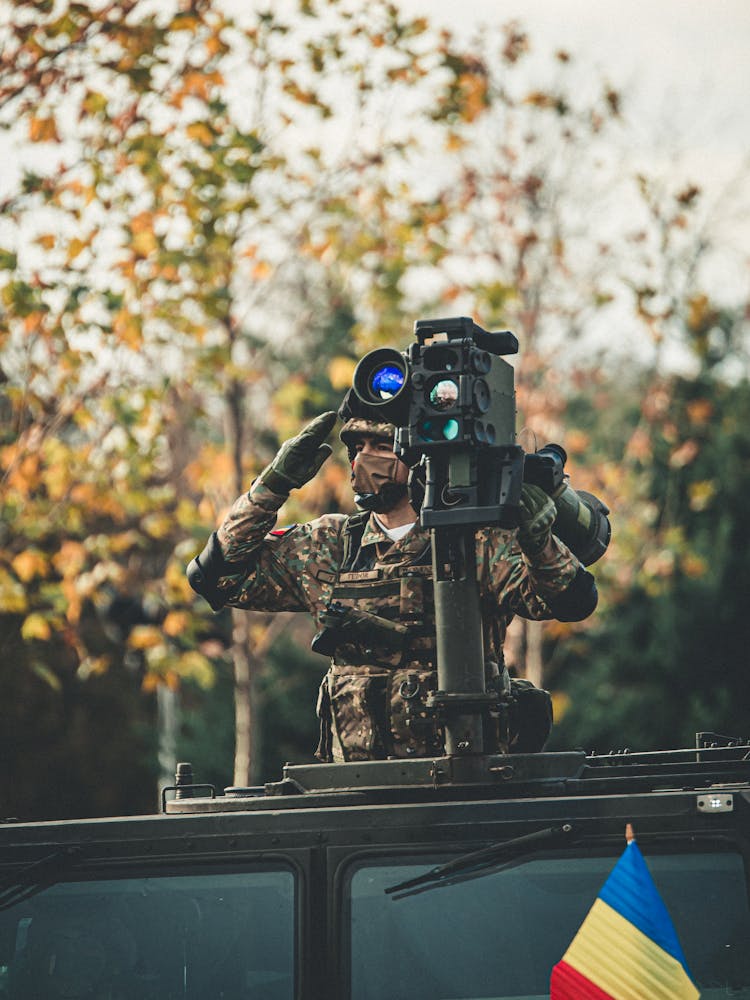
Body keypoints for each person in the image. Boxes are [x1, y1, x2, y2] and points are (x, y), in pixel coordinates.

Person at [188, 395, 599, 762]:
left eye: (382, 446)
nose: (363, 460)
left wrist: (539, 542)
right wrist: (272, 487)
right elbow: (217, 576)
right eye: (356, 447)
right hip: (354, 790)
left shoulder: (475, 540)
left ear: (420, 457)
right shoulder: (331, 544)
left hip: (464, 782)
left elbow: (567, 601)